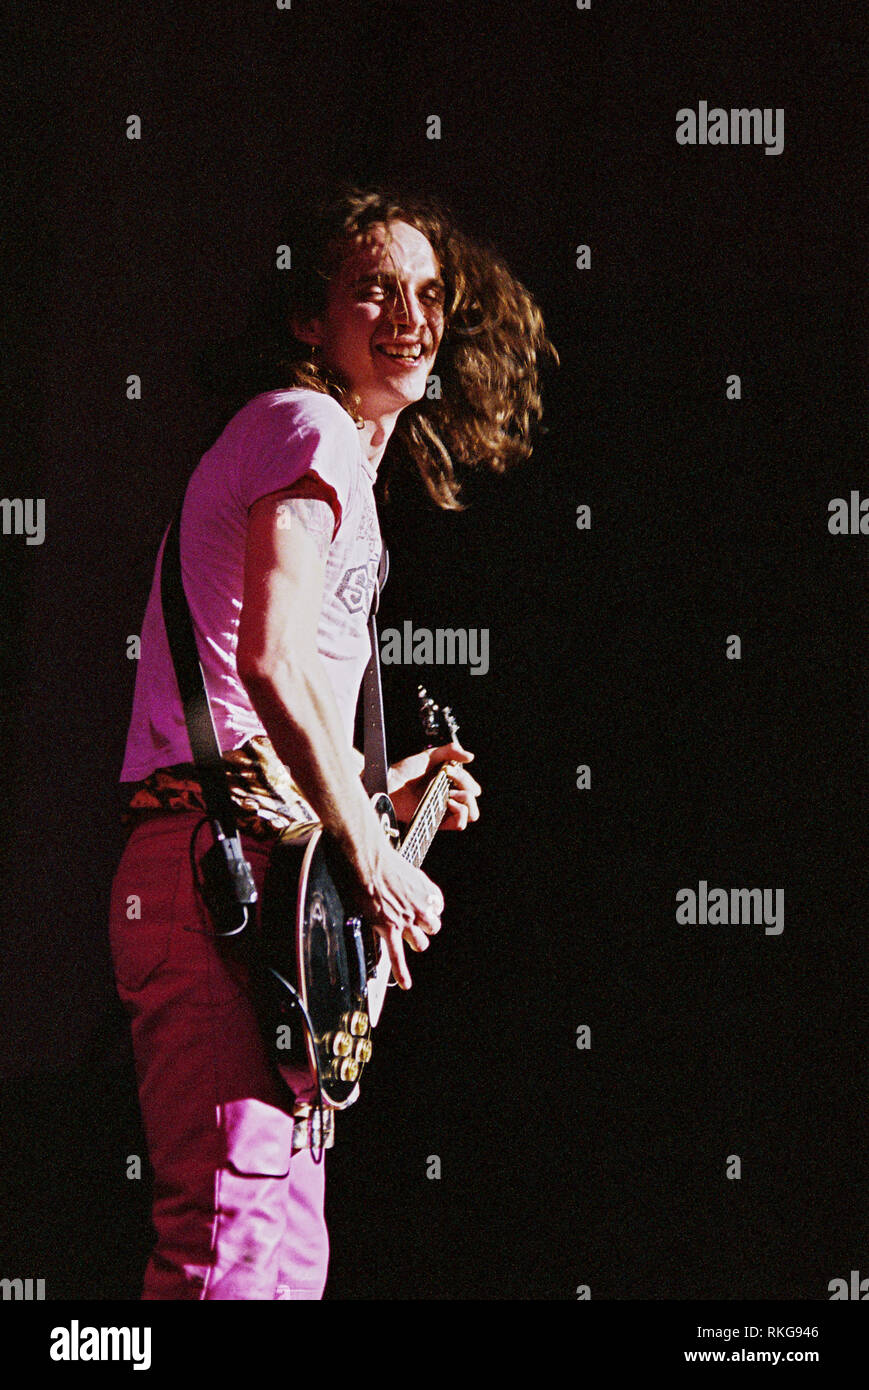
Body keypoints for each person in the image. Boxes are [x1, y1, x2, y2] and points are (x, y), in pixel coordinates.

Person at [109, 185, 557, 1300]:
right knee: (238, 1251)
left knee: (279, 1254)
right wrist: (367, 850)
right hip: (214, 871)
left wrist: (378, 798)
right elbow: (267, 662)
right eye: (374, 289)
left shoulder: (344, 476)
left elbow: (269, 699)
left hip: (245, 868)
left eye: (427, 294)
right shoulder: (302, 426)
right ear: (312, 319)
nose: (408, 314)